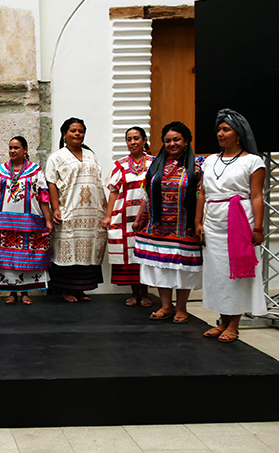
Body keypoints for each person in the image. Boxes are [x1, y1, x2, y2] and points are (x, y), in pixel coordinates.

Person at [196, 109, 267, 342]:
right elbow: (203, 193)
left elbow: (257, 195)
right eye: (219, 129)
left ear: (239, 134)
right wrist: (198, 222)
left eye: (226, 129)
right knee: (217, 274)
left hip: (239, 222)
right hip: (213, 222)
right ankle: (222, 320)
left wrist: (258, 227)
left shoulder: (253, 161)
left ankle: (234, 324)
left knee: (235, 273)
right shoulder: (209, 161)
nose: (220, 133)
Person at [134, 122, 202, 324]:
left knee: (182, 269)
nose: (172, 144)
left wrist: (198, 223)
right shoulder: (155, 165)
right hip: (157, 226)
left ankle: (181, 308)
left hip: (184, 227)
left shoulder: (198, 166)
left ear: (186, 141)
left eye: (177, 139)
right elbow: (146, 195)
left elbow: (201, 196)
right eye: (168, 140)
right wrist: (139, 219)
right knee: (161, 267)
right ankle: (166, 306)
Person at [0, 136, 53, 304]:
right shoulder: (0, 171)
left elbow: (43, 195)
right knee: (8, 257)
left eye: (16, 147)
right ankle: (11, 292)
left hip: (29, 221)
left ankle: (25, 293)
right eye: (10, 147)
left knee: (27, 256)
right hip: (3, 221)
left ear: (25, 150)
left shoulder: (35, 171)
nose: (12, 151)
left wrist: (48, 220)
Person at [46, 118, 107, 302]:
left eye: (80, 131)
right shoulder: (56, 157)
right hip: (68, 210)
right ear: (64, 134)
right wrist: (55, 209)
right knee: (67, 248)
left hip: (91, 214)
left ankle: (82, 289)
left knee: (88, 251)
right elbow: (51, 183)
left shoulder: (90, 155)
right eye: (73, 131)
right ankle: (67, 290)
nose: (77, 134)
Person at [101, 127, 155, 307]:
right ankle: (135, 293)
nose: (133, 142)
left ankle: (146, 294)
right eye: (129, 139)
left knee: (145, 253)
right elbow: (114, 192)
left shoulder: (154, 163)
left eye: (136, 138)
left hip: (148, 216)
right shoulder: (121, 165)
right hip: (124, 217)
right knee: (129, 255)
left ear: (144, 140)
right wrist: (108, 216)